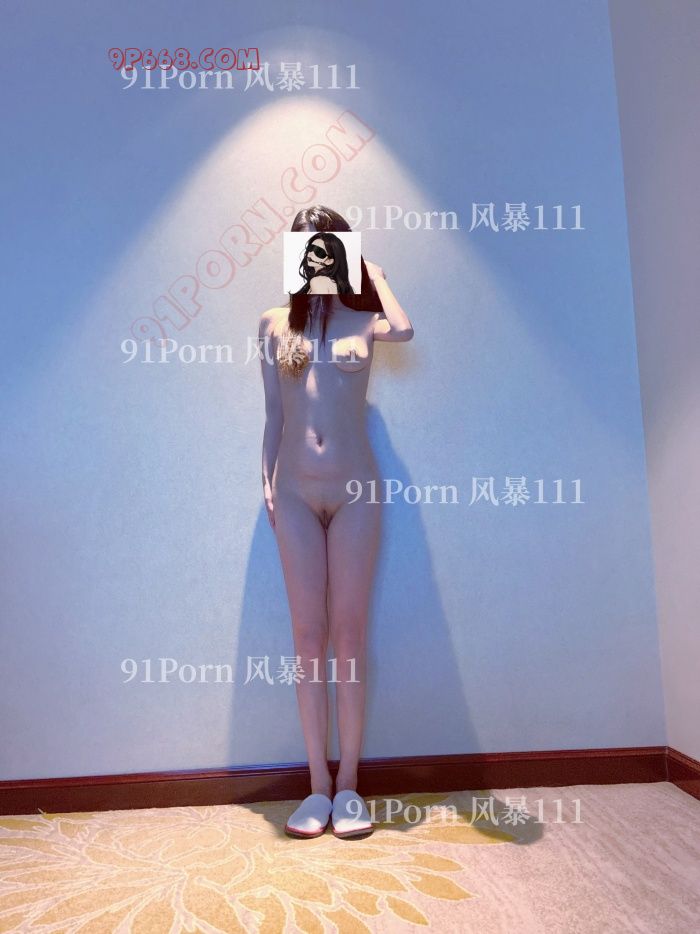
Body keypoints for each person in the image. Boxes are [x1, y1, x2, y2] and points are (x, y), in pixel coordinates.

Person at [258, 205, 414, 838]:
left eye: (330, 246)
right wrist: (265, 481)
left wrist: (372, 274)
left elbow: (405, 329)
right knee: (307, 638)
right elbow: (273, 414)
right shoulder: (274, 323)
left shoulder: (364, 320)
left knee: (348, 638)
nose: (318, 257)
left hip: (354, 492)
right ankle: (316, 786)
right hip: (294, 491)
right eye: (309, 247)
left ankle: (349, 784)